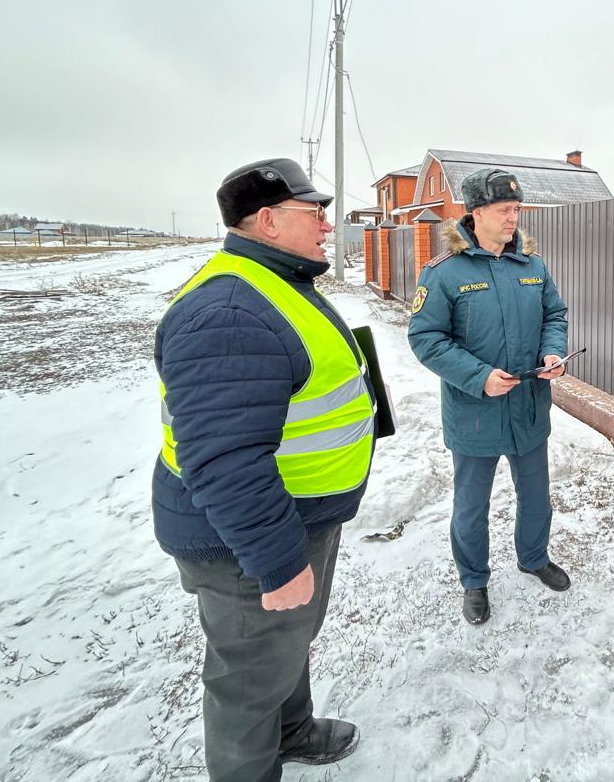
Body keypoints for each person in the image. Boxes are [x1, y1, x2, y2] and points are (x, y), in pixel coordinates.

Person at [151, 157, 375, 782]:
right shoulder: (229, 313)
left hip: (292, 518)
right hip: (244, 542)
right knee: (248, 679)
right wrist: (275, 561)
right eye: (315, 213)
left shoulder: (272, 283)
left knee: (283, 644)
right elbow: (225, 458)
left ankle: (293, 730)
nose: (328, 225)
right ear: (269, 221)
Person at [407, 167, 571, 626]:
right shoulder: (444, 272)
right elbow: (426, 338)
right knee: (472, 505)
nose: (513, 218)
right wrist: (479, 377)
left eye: (516, 210)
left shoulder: (532, 266)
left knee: (536, 495)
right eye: (503, 210)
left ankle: (534, 558)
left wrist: (553, 352)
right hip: (475, 411)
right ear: (475, 214)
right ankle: (474, 581)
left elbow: (554, 315)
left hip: (528, 405)